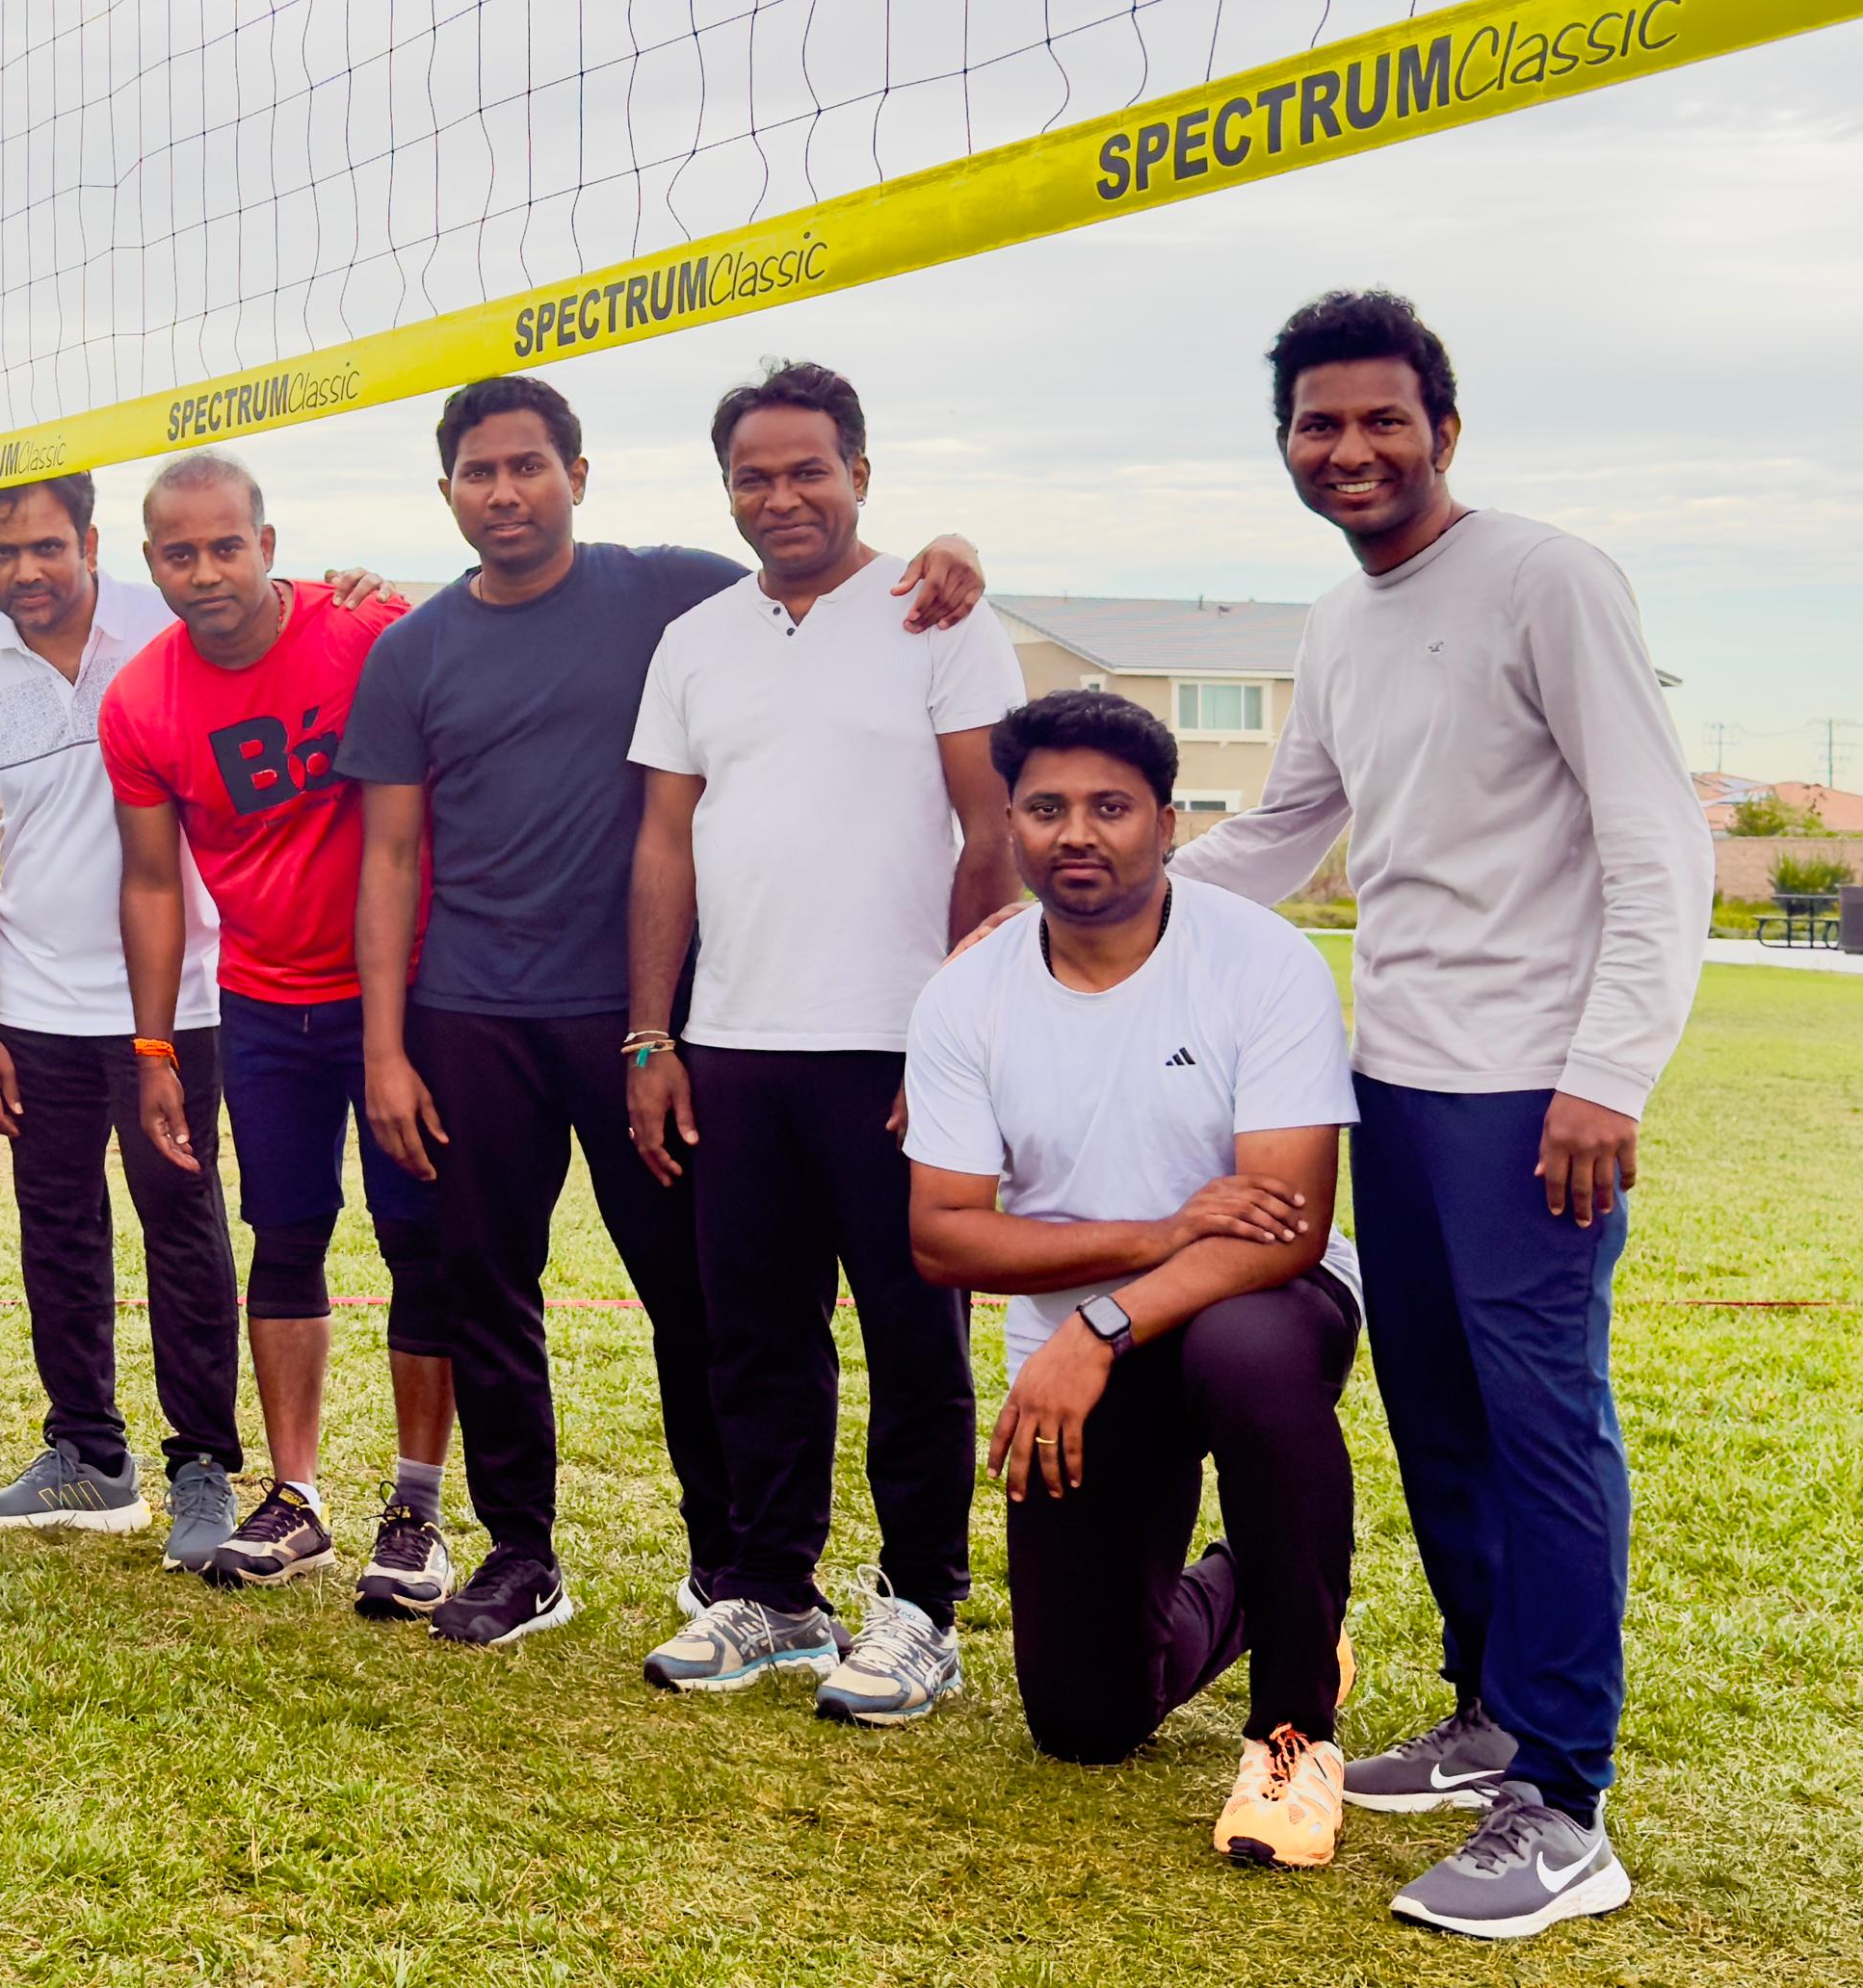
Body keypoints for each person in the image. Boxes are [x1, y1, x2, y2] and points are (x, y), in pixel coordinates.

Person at [1176, 288, 1705, 1943]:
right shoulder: (1338, 627)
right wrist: (1101, 900)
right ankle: (1485, 1712)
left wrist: (1609, 1070)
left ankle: (1564, 1795)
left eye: (1382, 420)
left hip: (1534, 1096)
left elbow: (1656, 843)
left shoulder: (1548, 581)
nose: (1351, 450)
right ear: (1286, 448)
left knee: (1546, 1426)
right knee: (1442, 1418)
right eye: (1319, 426)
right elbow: (1292, 829)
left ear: (1446, 430)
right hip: (1389, 1082)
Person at [343, 374, 983, 1649]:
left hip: (652, 1023)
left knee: (706, 1303)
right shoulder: (416, 649)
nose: (506, 490)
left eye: (530, 465)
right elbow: (391, 857)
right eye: (480, 471)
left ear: (578, 476)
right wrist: (384, 1050)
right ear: (449, 492)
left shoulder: (670, 591)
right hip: (476, 1017)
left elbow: (829, 571)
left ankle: (734, 1562)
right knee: (487, 1290)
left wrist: (954, 554)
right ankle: (522, 1551)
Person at [906, 690, 1366, 1871]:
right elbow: (945, 1238)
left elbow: (1285, 1230)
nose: (1077, 833)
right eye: (1046, 808)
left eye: (1109, 807)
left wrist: (1097, 1327)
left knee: (1245, 1350)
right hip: (1085, 1348)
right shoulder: (967, 992)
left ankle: (1292, 1738)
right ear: (1007, 823)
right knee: (1083, 1720)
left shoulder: (1259, 961)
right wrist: (1159, 1233)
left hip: (1257, 1307)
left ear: (1165, 822)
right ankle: (1272, 1585)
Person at [624, 362, 1018, 1721]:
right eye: (754, 474)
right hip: (732, 1044)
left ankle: (919, 1608)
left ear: (860, 469)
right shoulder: (696, 639)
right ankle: (777, 1596)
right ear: (725, 486)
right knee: (756, 1336)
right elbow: (664, 843)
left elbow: (993, 835)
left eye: (808, 470)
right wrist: (650, 1035)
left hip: (897, 1053)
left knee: (918, 1336)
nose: (781, 496)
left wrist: (950, 1038)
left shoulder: (939, 613)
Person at [93, 454, 450, 1605]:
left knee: (417, 1243)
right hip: (261, 999)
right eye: (178, 553)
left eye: (225, 545)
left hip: (404, 993)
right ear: (149, 563)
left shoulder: (369, 628)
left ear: (268, 540)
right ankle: (296, 1497)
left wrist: (391, 594)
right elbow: (150, 883)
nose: (205, 572)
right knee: (284, 1238)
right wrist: (152, 1046)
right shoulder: (140, 700)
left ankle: (418, 1508)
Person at [0, 471, 241, 1553]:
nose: (28, 571)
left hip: (176, 998)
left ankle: (202, 1465)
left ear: (92, 542)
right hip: (32, 1005)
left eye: (48, 547)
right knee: (55, 1224)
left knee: (181, 1224)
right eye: (2, 554)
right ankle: (89, 1458)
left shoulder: (169, 634)